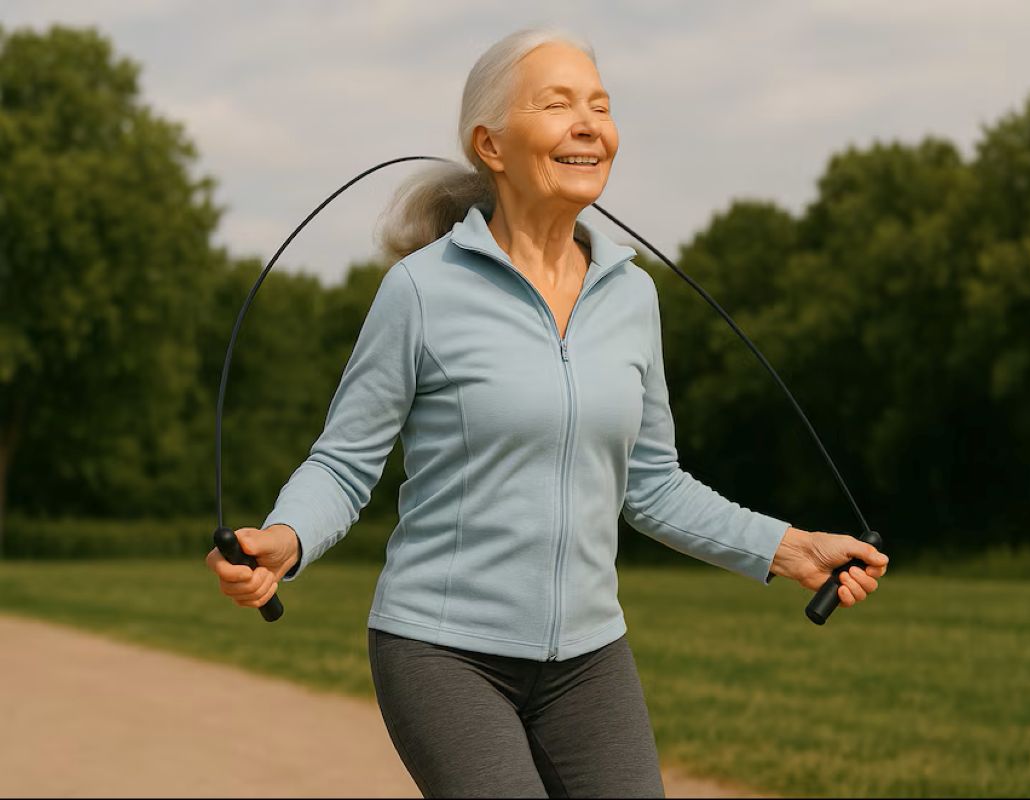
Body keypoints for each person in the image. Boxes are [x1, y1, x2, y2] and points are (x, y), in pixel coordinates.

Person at [204, 25, 889, 799]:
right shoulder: (422, 291)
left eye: (600, 104)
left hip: (591, 659)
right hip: (441, 651)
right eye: (558, 103)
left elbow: (652, 483)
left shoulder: (633, 297)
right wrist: (285, 538)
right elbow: (344, 461)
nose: (589, 122)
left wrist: (788, 549)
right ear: (490, 145)